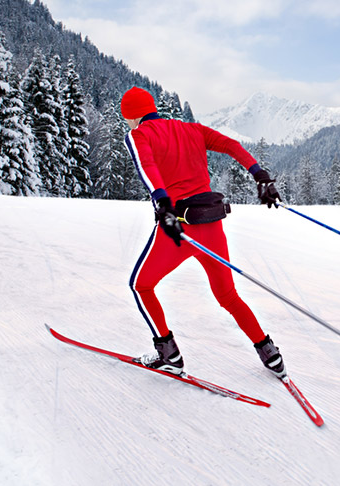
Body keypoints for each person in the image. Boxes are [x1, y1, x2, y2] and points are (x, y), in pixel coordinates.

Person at [120, 86, 285, 378]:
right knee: (228, 295)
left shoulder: (139, 134)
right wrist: (259, 174)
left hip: (178, 230)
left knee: (141, 285)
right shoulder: (191, 129)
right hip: (212, 227)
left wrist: (162, 203)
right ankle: (269, 353)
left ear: (132, 117)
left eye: (128, 119)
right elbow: (232, 146)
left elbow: (146, 166)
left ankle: (168, 353)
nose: (129, 125)